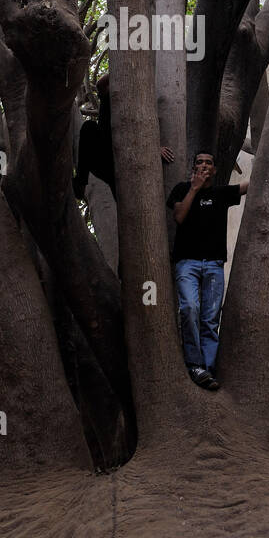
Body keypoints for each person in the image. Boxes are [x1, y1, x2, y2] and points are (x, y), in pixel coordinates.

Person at [166, 152, 248, 391]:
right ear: (193, 168)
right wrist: (194, 188)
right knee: (190, 307)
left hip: (213, 264)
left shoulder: (221, 193)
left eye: (208, 163)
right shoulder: (182, 189)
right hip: (187, 263)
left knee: (210, 319)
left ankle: (208, 369)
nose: (203, 165)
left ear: (214, 170)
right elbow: (179, 216)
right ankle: (194, 364)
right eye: (199, 162)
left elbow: (250, 185)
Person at [73, 74, 173, 199]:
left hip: (131, 160)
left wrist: (154, 149)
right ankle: (81, 182)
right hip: (105, 159)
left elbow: (143, 136)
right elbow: (100, 84)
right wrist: (125, 72)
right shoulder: (111, 96)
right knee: (88, 126)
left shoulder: (143, 112)